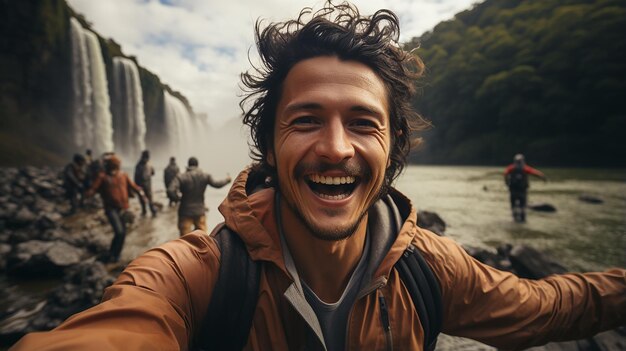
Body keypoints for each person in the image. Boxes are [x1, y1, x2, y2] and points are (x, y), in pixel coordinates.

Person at [12, 3, 625, 350]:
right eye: (306, 119)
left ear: (395, 147)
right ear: (268, 144)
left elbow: (546, 306)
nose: (335, 148)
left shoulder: (431, 269)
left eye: (363, 122)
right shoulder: (193, 276)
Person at [85, 155, 145, 263]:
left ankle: (115, 254)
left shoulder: (123, 175)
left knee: (122, 233)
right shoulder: (102, 177)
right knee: (119, 232)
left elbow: (133, 186)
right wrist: (87, 194)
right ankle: (113, 255)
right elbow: (93, 188)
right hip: (111, 209)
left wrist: (141, 192)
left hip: (122, 209)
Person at [167, 157, 230, 235]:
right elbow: (217, 184)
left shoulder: (181, 177)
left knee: (184, 241)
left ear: (188, 165)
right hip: (200, 211)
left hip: (185, 211)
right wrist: (227, 180)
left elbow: (170, 190)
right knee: (202, 240)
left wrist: (178, 199)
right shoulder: (205, 176)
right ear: (197, 165)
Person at [504, 153, 547, 222]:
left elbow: (505, 175)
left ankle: (515, 218)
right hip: (522, 191)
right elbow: (536, 173)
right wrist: (543, 178)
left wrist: (506, 183)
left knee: (513, 206)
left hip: (513, 190)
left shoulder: (510, 168)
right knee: (522, 206)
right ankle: (522, 219)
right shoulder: (525, 168)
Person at [134, 150, 157, 217]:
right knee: (143, 199)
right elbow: (136, 177)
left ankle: (152, 211)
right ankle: (145, 211)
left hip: (146, 185)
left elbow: (153, 172)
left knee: (149, 199)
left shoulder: (143, 164)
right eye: (147, 157)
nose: (147, 159)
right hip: (142, 185)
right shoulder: (140, 165)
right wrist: (136, 187)